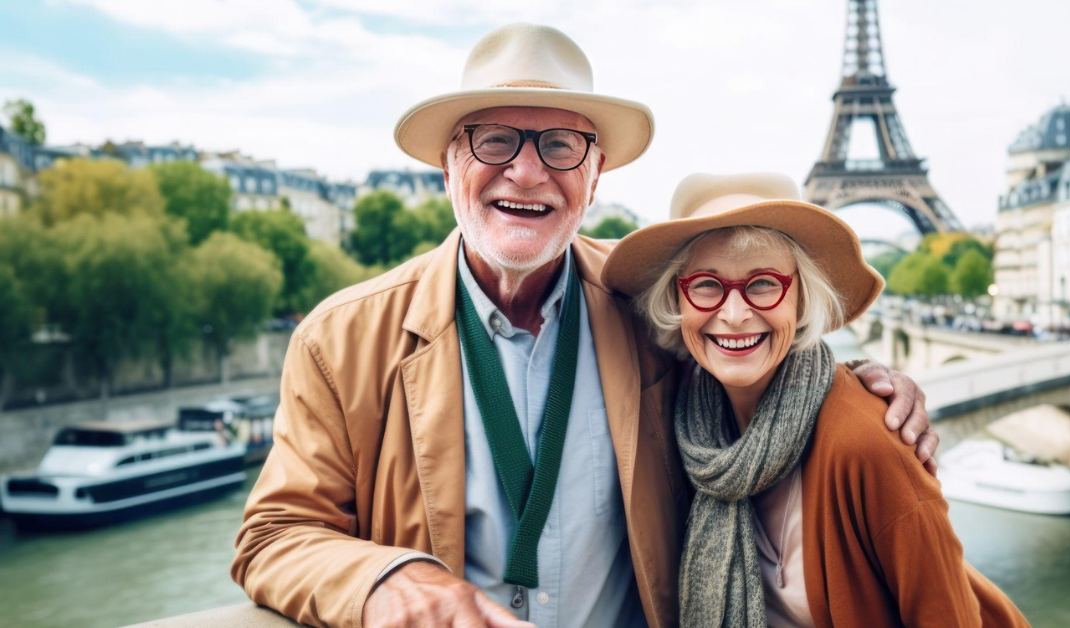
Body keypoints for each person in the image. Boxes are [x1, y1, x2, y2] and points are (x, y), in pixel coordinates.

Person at [231, 24, 941, 628]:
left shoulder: (649, 302)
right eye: (495, 141)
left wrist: (861, 388)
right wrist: (386, 580)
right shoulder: (340, 340)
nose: (528, 172)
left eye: (561, 146)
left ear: (595, 175)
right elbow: (272, 536)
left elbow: (756, 350)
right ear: (449, 165)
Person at [603, 172, 1028, 627]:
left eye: (764, 283)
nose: (733, 313)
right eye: (706, 285)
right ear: (678, 299)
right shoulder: (690, 422)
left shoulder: (872, 443)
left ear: (802, 299)